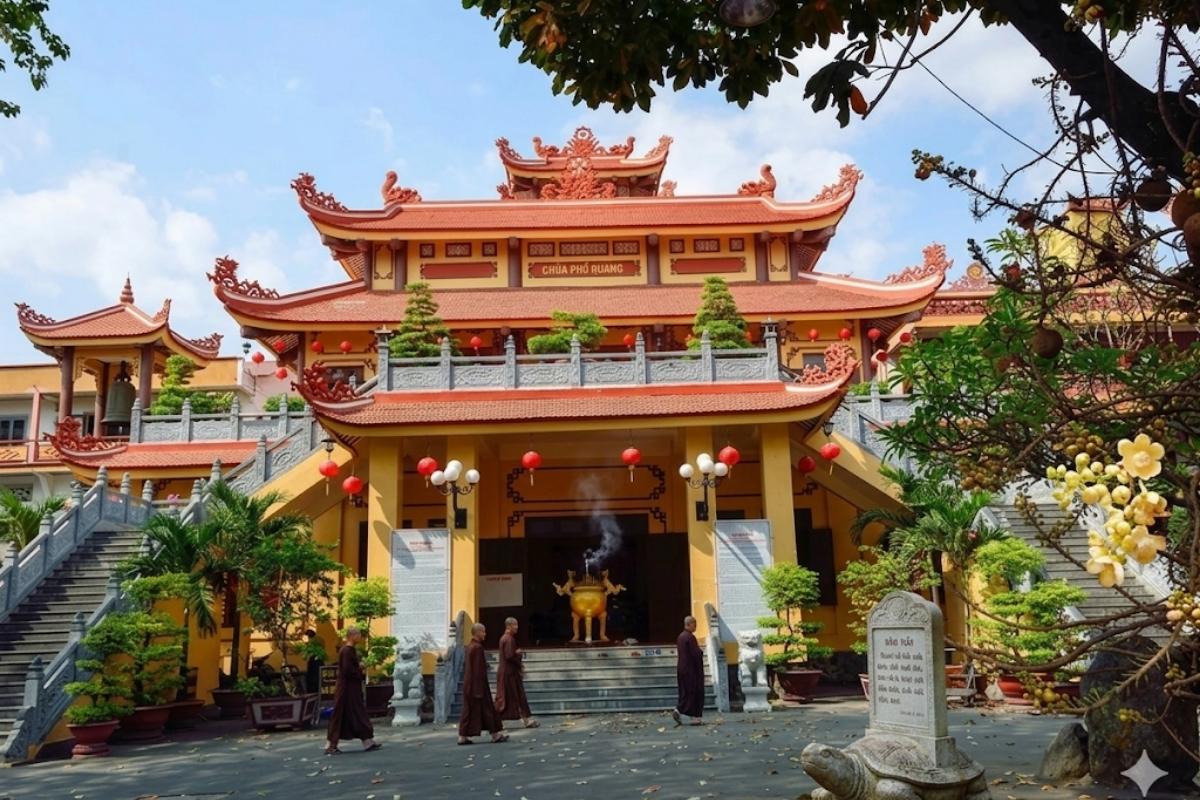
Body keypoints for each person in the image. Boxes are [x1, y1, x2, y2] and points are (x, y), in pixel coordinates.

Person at [325, 627, 381, 754]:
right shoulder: (345, 651)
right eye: (359, 635)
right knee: (340, 714)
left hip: (352, 688)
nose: (360, 637)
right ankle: (330, 744)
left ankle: (367, 741)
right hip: (346, 688)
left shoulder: (350, 650)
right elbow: (347, 670)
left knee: (357, 713)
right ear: (352, 636)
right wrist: (360, 668)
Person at [458, 622, 508, 745]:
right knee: (488, 710)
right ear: (478, 632)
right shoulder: (478, 648)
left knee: (468, 710)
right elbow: (478, 669)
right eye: (483, 631)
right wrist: (480, 688)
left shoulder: (469, 646)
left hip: (469, 684)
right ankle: (495, 735)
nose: (485, 634)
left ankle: (462, 736)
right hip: (478, 685)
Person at [495, 617, 538, 729]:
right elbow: (509, 656)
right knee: (509, 697)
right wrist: (518, 654)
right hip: (509, 673)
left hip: (506, 672)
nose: (517, 627)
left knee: (513, 697)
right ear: (509, 626)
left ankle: (525, 720)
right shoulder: (508, 639)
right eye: (515, 625)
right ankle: (496, 722)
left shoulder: (504, 638)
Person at [672, 615, 704, 726]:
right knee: (694, 691)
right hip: (690, 669)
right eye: (695, 624)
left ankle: (678, 710)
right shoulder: (690, 637)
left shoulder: (680, 636)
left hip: (681, 668)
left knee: (685, 692)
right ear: (689, 624)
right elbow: (695, 654)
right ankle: (693, 717)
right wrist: (701, 652)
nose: (696, 627)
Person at [304, 629, 325, 695]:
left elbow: (309, 651)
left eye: (308, 635)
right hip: (320, 659)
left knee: (312, 679)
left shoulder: (314, 640)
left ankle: (312, 693)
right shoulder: (320, 638)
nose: (308, 637)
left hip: (315, 660)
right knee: (318, 678)